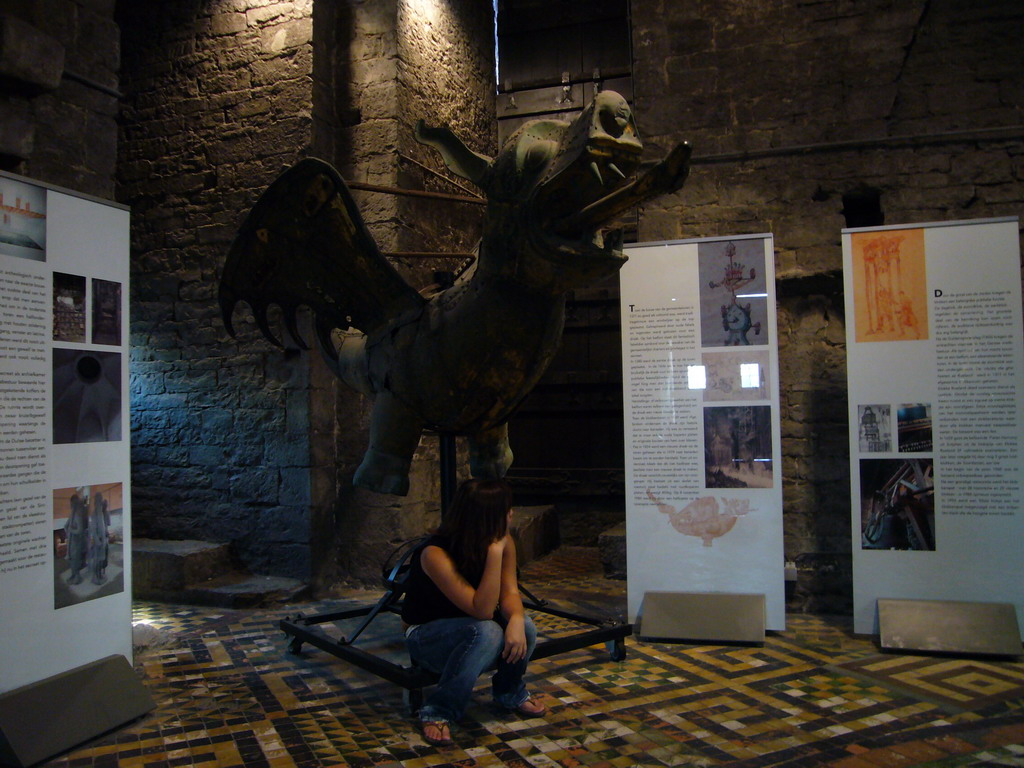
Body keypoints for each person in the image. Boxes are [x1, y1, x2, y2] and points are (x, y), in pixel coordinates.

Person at [401, 478, 546, 746]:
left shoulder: (505, 541)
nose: (511, 514)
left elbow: (510, 593)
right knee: (487, 629)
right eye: (506, 510)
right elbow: (482, 610)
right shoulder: (434, 553)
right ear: (487, 516)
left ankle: (510, 692)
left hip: (473, 633)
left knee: (524, 625)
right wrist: (493, 552)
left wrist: (515, 618)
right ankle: (439, 709)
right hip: (426, 638)